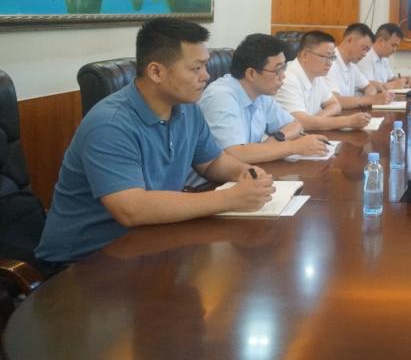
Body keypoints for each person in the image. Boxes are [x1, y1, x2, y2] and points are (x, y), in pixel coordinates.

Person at [35, 19, 275, 267]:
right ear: (156, 72)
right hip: (83, 261)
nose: (206, 76)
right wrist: (229, 199)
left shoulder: (187, 108)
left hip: (147, 242)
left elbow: (212, 161)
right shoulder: (110, 123)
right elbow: (131, 209)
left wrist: (243, 172)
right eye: (196, 68)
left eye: (206, 65)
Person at [194, 34, 330, 172]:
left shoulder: (261, 93)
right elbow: (234, 153)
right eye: (277, 70)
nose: (283, 76)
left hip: (247, 172)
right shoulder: (221, 97)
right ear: (252, 74)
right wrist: (294, 147)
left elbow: (295, 125)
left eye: (284, 68)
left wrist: (275, 140)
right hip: (209, 182)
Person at [276, 31, 371, 131]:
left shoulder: (317, 75)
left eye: (332, 57)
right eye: (325, 57)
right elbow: (301, 122)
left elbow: (335, 104)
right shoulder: (287, 79)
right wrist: (347, 121)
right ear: (305, 55)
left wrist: (316, 120)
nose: (330, 63)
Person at [327, 23, 392, 108]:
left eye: (367, 51)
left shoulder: (352, 65)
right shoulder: (329, 62)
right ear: (350, 40)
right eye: (364, 48)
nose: (365, 54)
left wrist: (369, 97)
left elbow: (369, 87)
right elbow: (334, 101)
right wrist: (370, 100)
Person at [357, 22, 411, 89]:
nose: (394, 50)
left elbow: (391, 79)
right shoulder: (365, 56)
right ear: (381, 41)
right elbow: (367, 86)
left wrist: (407, 79)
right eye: (393, 45)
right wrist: (393, 85)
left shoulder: (384, 58)